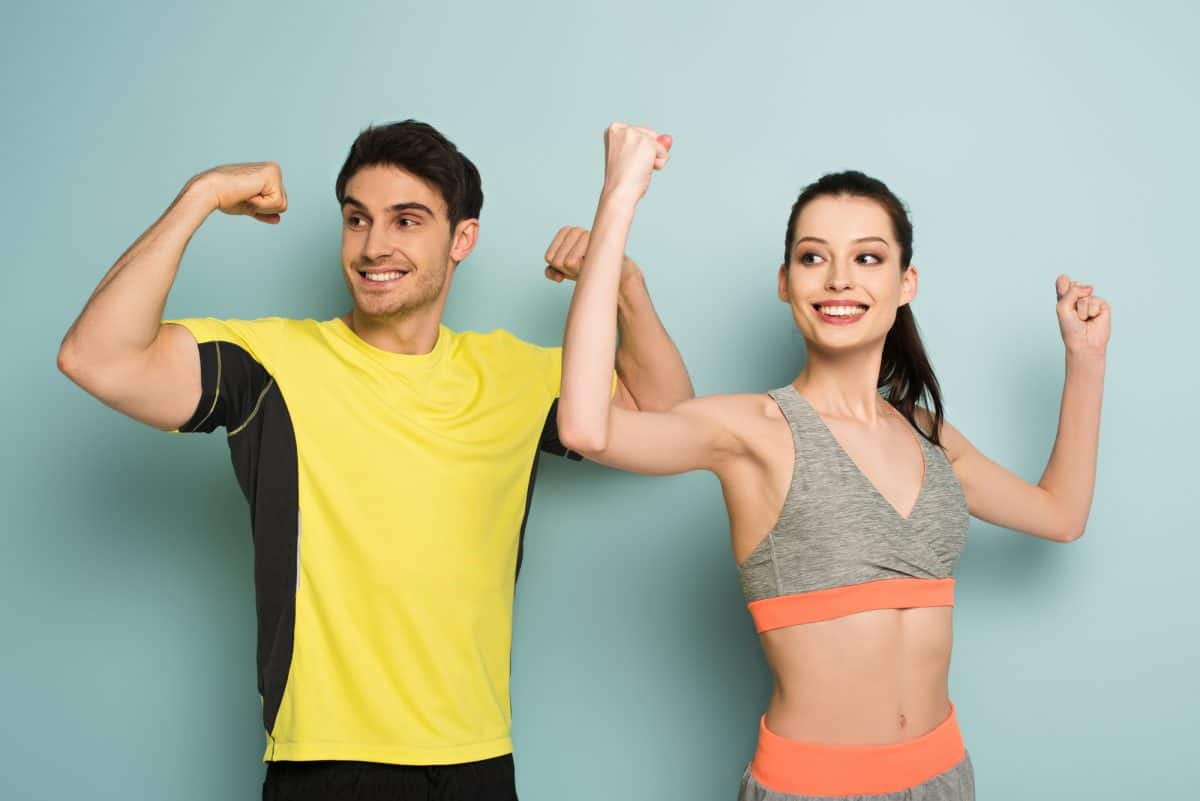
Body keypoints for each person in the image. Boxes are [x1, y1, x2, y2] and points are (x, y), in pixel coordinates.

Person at [56, 120, 693, 801]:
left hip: (477, 760)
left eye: (406, 220)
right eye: (357, 220)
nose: (373, 246)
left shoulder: (513, 374)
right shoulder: (271, 365)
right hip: (326, 766)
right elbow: (96, 357)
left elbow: (667, 420)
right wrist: (201, 195)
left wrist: (620, 280)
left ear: (462, 239)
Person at [557, 123, 1110, 800]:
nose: (840, 278)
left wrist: (1085, 361)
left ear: (907, 282)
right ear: (785, 283)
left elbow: (1060, 513)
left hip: (946, 774)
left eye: (868, 258)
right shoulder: (753, 429)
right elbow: (586, 426)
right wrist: (620, 196)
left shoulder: (928, 433)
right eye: (813, 258)